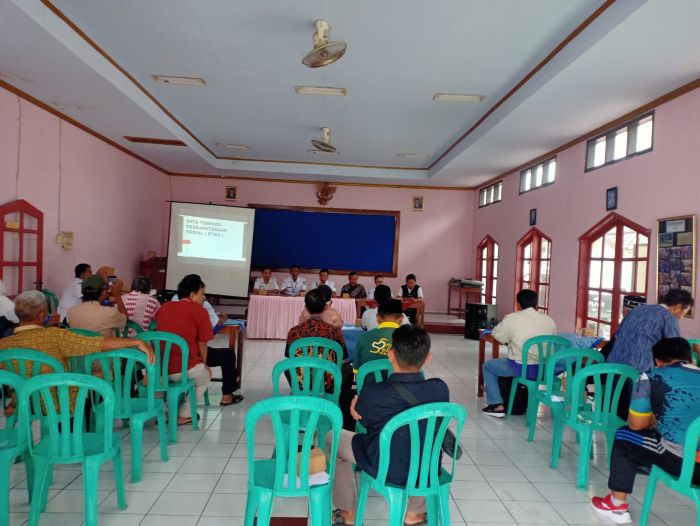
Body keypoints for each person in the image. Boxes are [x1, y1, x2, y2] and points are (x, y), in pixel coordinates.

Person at [327, 325, 448, 526]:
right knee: (420, 439)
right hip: (425, 467)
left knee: (333, 437)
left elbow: (363, 422)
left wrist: (355, 410)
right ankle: (415, 513)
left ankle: (348, 512)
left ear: (390, 355)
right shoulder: (439, 389)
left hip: (384, 466)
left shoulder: (373, 393)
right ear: (427, 358)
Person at [591, 338, 700, 524]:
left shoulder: (651, 377)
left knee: (624, 435)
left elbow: (637, 425)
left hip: (686, 464)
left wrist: (656, 417)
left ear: (657, 361)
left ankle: (617, 505)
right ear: (691, 359)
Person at [0, 291, 155, 408]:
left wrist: (13, 402)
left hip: (25, 403)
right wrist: (134, 342)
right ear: (41, 315)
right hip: (61, 404)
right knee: (86, 397)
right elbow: (96, 343)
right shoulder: (56, 336)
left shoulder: (4, 345)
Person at [156, 274, 242, 423]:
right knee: (204, 375)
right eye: (202, 293)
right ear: (192, 294)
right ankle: (185, 414)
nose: (204, 297)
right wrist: (204, 365)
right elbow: (202, 344)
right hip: (184, 367)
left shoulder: (164, 308)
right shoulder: (199, 311)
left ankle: (166, 412)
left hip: (160, 369)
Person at [481, 289, 556, 417]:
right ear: (536, 304)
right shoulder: (549, 320)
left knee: (488, 366)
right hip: (543, 370)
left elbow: (500, 337)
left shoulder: (513, 318)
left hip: (520, 368)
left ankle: (497, 405)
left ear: (518, 305)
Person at [608, 289, 693, 373]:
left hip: (612, 367)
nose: (681, 317)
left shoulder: (638, 309)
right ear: (677, 307)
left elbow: (618, 334)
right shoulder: (669, 318)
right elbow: (676, 351)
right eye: (684, 314)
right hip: (637, 371)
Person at [353, 299, 405, 371]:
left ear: (377, 317)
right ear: (401, 318)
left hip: (369, 382)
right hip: (399, 382)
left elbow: (356, 371)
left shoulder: (363, 337)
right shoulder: (410, 339)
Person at [599, 295, 647, 360]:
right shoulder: (646, 328)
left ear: (628, 312)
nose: (622, 312)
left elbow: (609, 350)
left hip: (618, 366)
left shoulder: (625, 328)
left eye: (623, 310)